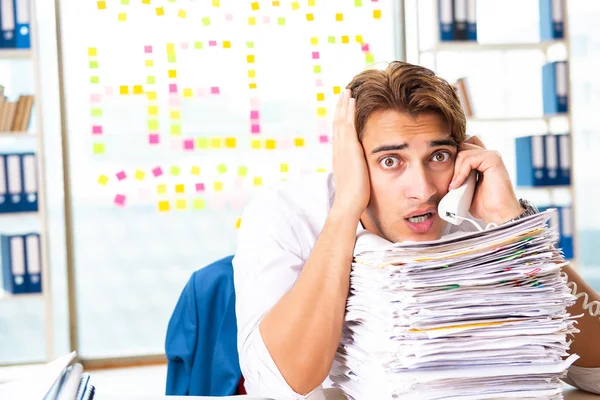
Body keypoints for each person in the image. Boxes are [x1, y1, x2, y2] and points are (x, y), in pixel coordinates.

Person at [232, 61, 600, 399]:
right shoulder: (283, 214)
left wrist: (514, 229)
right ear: (353, 161)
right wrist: (345, 210)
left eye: (438, 156)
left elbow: (595, 374)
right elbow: (279, 386)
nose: (422, 189)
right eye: (391, 161)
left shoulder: (475, 212)